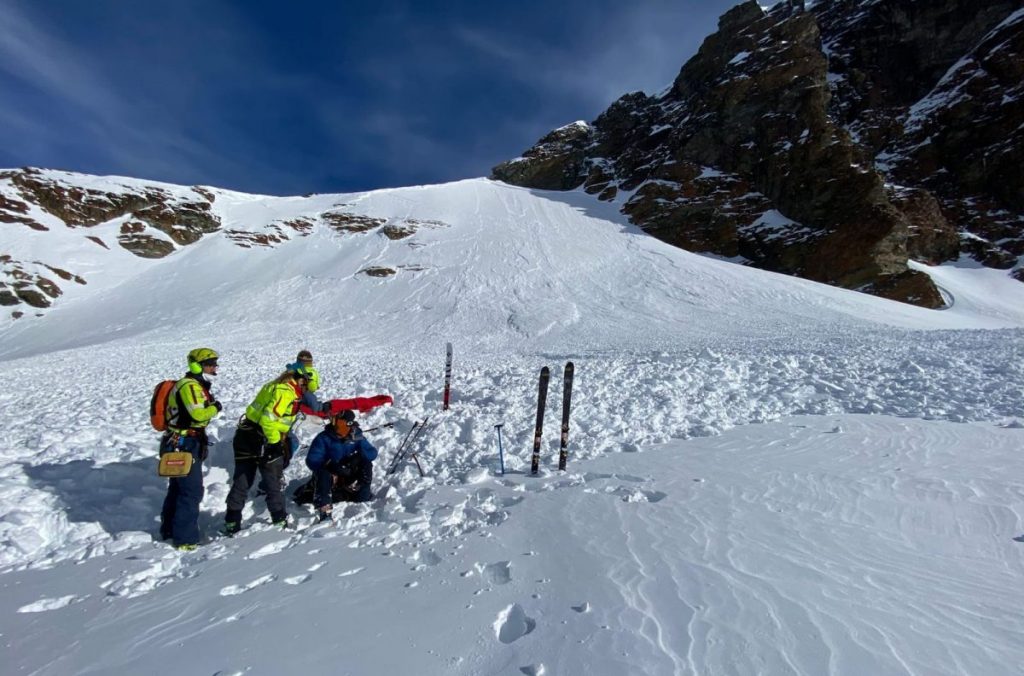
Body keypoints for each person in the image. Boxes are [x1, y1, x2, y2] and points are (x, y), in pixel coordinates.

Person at [223, 362, 310, 534]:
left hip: (244, 436)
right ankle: (279, 519)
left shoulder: (272, 385)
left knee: (242, 481)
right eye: (304, 381)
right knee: (273, 481)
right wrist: (275, 443)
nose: (305, 385)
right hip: (263, 440)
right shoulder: (285, 391)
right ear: (298, 379)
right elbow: (268, 420)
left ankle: (231, 522)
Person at [159, 348, 223, 551]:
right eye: (210, 363)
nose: (214, 366)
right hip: (184, 443)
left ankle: (169, 530)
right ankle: (185, 539)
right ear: (198, 365)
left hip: (181, 441)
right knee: (190, 491)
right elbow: (199, 415)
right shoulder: (190, 386)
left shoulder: (193, 385)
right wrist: (215, 407)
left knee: (178, 488)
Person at [305, 410, 378, 522]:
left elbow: (372, 452)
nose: (334, 424)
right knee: (323, 473)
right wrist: (329, 464)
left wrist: (358, 457)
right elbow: (312, 459)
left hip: (348, 473)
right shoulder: (324, 438)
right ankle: (325, 511)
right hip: (331, 475)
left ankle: (363, 496)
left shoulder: (356, 436)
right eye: (334, 421)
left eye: (338, 421)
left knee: (366, 464)